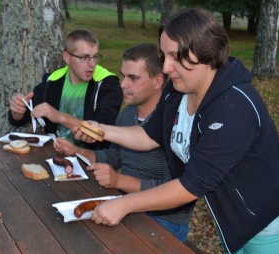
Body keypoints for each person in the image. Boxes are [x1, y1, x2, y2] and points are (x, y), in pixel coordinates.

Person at [72, 8, 279, 254]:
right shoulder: (177, 89)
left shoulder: (233, 108)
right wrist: (100, 129)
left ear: (207, 53)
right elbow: (149, 135)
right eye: (164, 55)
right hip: (232, 211)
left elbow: (192, 184)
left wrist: (124, 204)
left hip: (268, 212)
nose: (166, 66)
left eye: (176, 56)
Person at [53, 43, 196, 243]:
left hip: (164, 219)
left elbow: (172, 188)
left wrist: (119, 181)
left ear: (157, 81)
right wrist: (76, 151)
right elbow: (113, 157)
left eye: (133, 78)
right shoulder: (127, 115)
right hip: (124, 204)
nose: (123, 84)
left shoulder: (174, 124)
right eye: (123, 76)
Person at [8, 28, 123, 150]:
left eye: (95, 57)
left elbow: (102, 133)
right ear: (67, 57)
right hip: (53, 153)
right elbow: (20, 119)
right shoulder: (53, 80)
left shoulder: (107, 84)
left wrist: (59, 117)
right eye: (84, 57)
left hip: (90, 159)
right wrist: (17, 111)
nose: (92, 64)